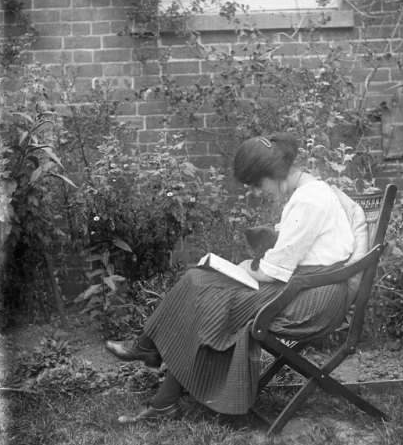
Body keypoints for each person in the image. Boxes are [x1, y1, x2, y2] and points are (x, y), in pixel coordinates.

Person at [105, 132, 367, 423]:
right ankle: (159, 385)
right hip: (305, 287)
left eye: (256, 184)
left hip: (312, 300)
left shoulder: (309, 200)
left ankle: (148, 351)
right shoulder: (309, 192)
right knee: (202, 286)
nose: (257, 192)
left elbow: (272, 270)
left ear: (273, 173)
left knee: (205, 292)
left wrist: (242, 267)